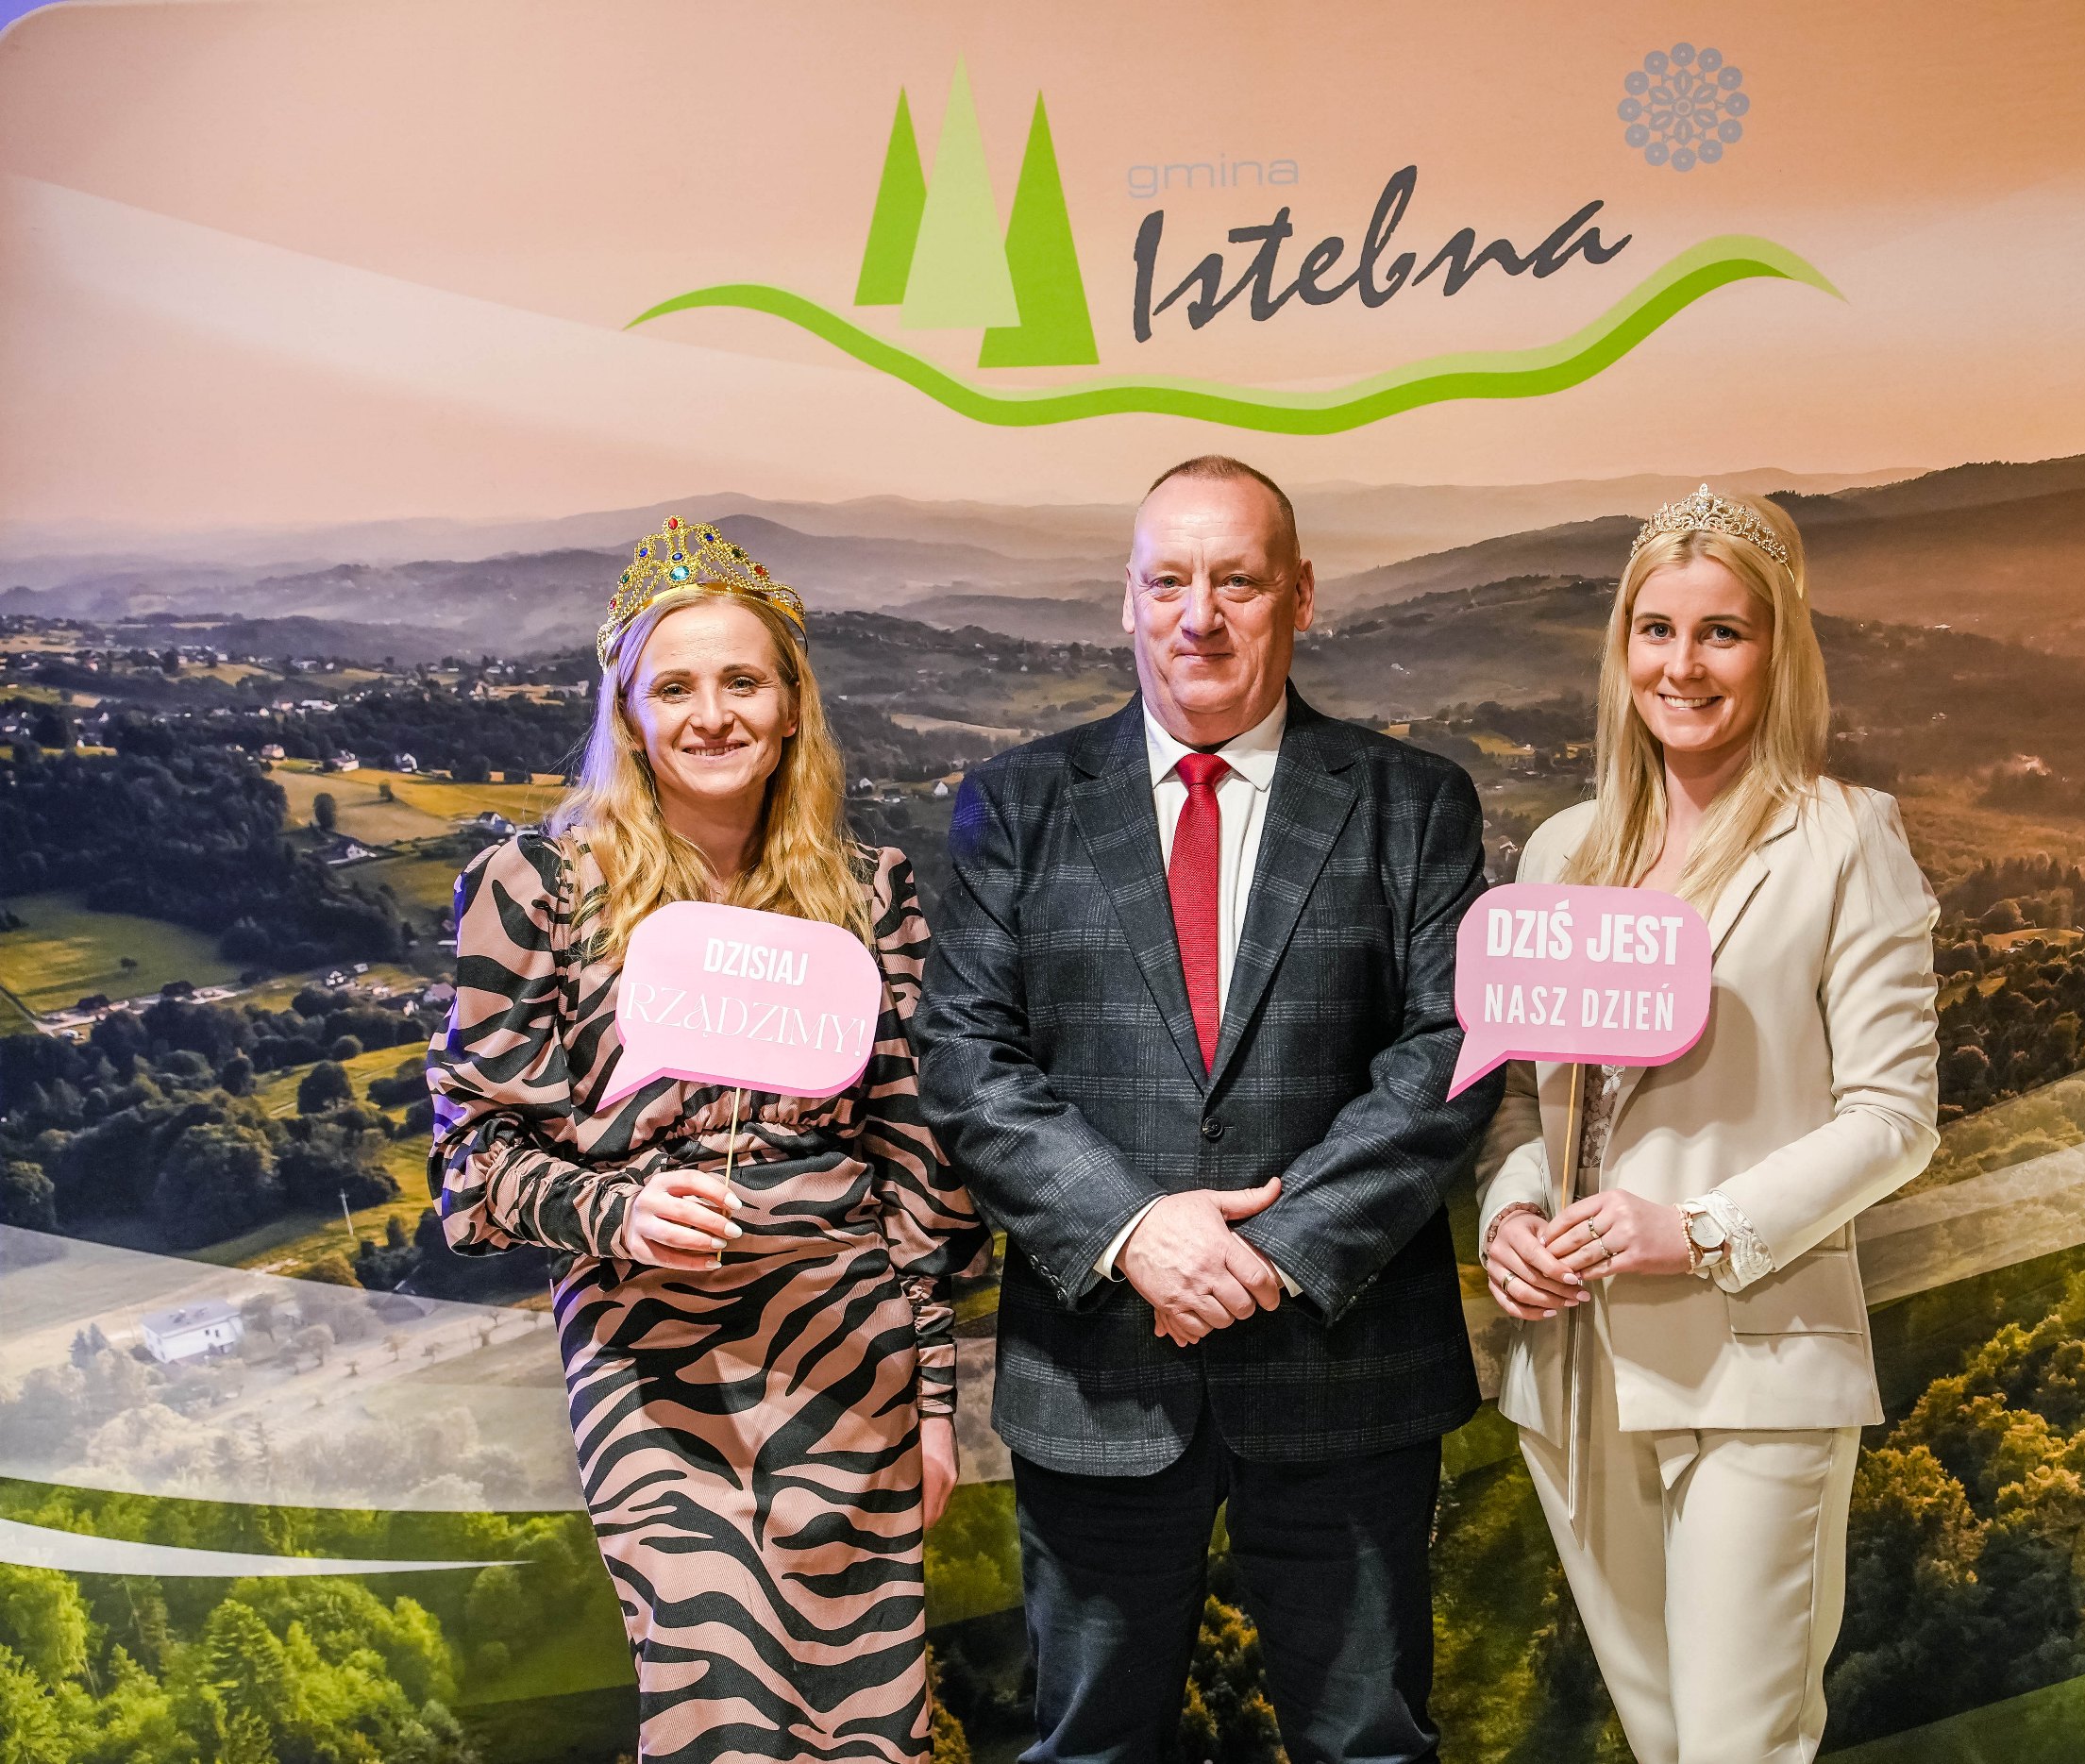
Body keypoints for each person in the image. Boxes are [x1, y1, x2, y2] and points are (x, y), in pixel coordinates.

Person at [916, 456, 1499, 1764]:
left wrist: (1271, 1252)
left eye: (1237, 580)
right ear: (1126, 600)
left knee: (1371, 1747)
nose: (1201, 616)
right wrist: (1134, 1230)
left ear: (1301, 596)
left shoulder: (1415, 802)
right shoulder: (1017, 803)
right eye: (1169, 580)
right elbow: (963, 1056)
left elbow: (1448, 1053)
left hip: (1347, 1379)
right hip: (1099, 1380)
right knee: (1090, 1749)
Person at [429, 517, 987, 1764]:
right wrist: (618, 1210)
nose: (713, 714)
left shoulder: (871, 892)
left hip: (851, 1351)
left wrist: (935, 1399)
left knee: (866, 1728)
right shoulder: (533, 889)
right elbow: (472, 1170)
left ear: (791, 708)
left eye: (743, 681)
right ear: (629, 717)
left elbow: (919, 1171)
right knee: (718, 1710)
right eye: (674, 687)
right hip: (650, 1357)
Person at [1475, 486, 1940, 1763]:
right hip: (1572, 1371)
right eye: (1657, 630)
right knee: (1666, 1743)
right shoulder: (1561, 849)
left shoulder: (1845, 839)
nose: (1683, 665)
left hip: (1757, 1368)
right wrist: (1510, 1217)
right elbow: (1521, 1095)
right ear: (1622, 649)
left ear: (1779, 650)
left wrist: (1697, 1228)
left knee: (1741, 1749)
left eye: (1722, 632)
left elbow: (1894, 1117)